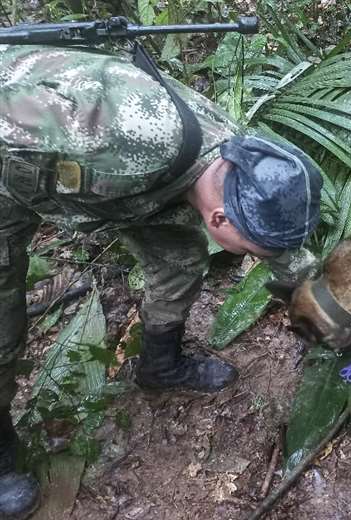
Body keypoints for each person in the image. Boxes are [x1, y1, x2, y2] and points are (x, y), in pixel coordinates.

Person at [0, 43, 322, 519]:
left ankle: (160, 365)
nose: (257, 259)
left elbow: (281, 246)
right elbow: (17, 103)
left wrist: (328, 305)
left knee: (179, 258)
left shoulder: (240, 163)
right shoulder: (121, 138)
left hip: (118, 190)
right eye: (252, 251)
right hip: (13, 170)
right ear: (220, 219)